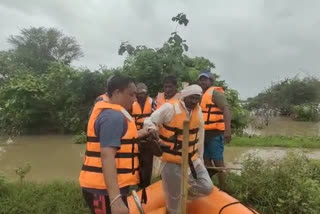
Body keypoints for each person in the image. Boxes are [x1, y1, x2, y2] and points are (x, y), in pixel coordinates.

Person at [79, 75, 152, 214]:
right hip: (103, 191)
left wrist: (140, 134)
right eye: (130, 95)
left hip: (105, 189)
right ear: (117, 93)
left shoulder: (112, 113)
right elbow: (107, 156)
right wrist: (115, 199)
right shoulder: (113, 117)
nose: (135, 99)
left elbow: (120, 141)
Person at [144, 84, 213, 214]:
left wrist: (201, 158)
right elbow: (149, 120)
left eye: (197, 98)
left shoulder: (198, 111)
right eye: (192, 98)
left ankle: (184, 196)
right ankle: (174, 202)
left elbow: (201, 137)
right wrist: (152, 130)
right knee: (174, 205)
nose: (194, 101)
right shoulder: (170, 108)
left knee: (207, 186)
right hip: (172, 161)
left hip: (192, 160)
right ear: (185, 97)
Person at [198, 71, 232, 192]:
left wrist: (228, 130)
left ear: (211, 81)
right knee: (206, 161)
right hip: (203, 135)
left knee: (218, 163)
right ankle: (209, 187)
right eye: (200, 80)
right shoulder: (200, 95)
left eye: (205, 80)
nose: (202, 82)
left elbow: (226, 109)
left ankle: (225, 189)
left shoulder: (215, 93)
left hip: (215, 134)